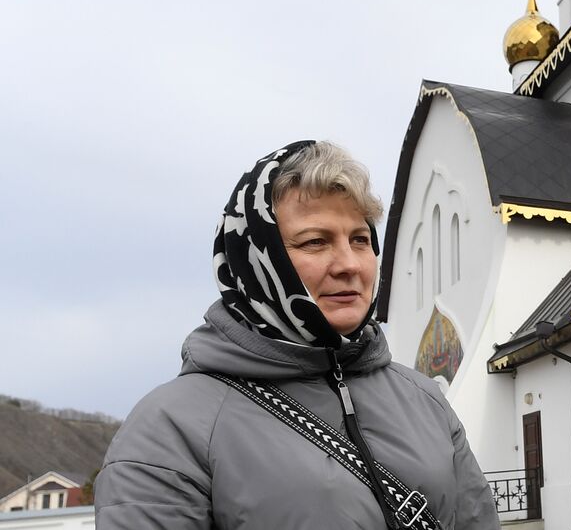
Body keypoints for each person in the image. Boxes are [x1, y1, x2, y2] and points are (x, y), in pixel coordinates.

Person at [96, 140, 500, 529]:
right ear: (255, 261)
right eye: (315, 242)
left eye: (360, 240)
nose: (349, 265)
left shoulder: (424, 398)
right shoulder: (173, 425)